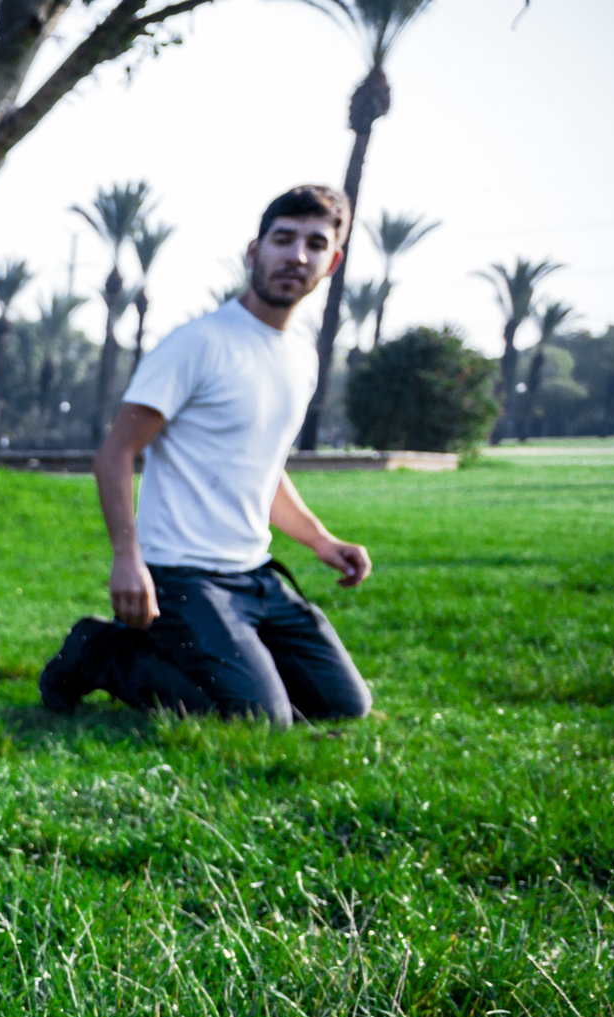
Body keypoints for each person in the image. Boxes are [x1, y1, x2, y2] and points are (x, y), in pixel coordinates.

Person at [39, 184, 374, 726]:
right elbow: (115, 455)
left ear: (331, 262)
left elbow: (261, 467)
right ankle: (103, 653)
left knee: (344, 705)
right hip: (183, 575)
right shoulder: (199, 344)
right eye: (283, 239)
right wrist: (129, 559)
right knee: (260, 721)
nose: (297, 256)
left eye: (315, 244)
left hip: (256, 575)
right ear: (254, 251)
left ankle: (238, 666)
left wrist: (320, 539)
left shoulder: (301, 358)